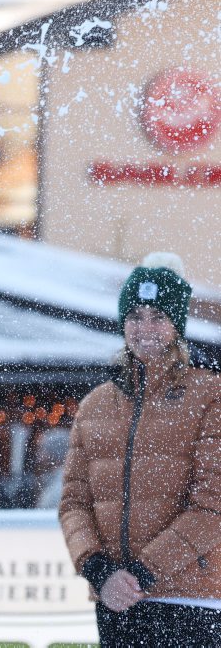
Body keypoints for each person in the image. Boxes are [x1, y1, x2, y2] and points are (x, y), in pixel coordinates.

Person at [59, 252, 221, 644]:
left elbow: (213, 504)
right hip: (116, 602)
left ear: (177, 325)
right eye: (134, 316)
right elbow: (73, 504)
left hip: (191, 602)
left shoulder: (210, 395)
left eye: (158, 316)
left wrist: (141, 574)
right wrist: (99, 571)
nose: (144, 328)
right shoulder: (96, 404)